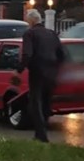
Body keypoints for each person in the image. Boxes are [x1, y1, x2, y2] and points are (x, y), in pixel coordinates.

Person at [16, 9, 65, 143]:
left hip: (37, 72)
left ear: (31, 21)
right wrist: (56, 68)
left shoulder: (29, 34)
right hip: (52, 73)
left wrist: (20, 68)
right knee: (46, 103)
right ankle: (43, 130)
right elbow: (61, 54)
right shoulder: (52, 34)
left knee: (35, 103)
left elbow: (27, 54)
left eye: (27, 20)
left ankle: (41, 135)